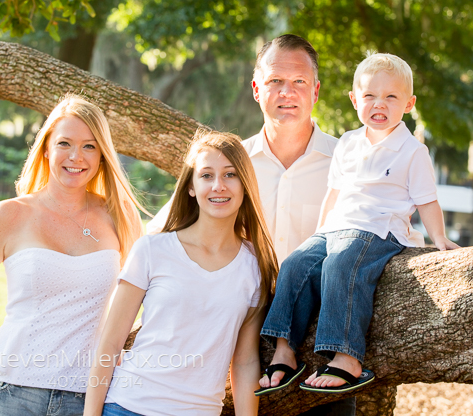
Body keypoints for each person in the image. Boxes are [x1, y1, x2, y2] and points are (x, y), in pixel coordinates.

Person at [148, 34, 355, 414]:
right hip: (230, 340)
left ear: (316, 91)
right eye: (275, 81)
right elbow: (163, 236)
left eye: (299, 83)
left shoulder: (349, 163)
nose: (286, 92)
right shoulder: (229, 167)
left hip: (319, 342)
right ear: (257, 88)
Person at [257, 52, 459, 396]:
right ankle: (284, 350)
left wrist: (439, 238)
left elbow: (427, 200)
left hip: (378, 229)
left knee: (341, 264)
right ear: (354, 100)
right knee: (295, 264)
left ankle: (346, 357)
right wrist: (316, 235)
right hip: (335, 228)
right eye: (369, 96)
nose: (379, 104)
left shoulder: (412, 151)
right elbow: (333, 195)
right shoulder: (348, 143)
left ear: (408, 104)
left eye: (391, 97)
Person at [0, 94, 144, 416]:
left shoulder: (120, 217)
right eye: (65, 143)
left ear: (103, 155)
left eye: (90, 146)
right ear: (47, 147)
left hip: (88, 395)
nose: (76, 156)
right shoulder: (9, 215)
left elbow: (138, 298)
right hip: (10, 392)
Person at [83, 130, 278, 416]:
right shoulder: (152, 249)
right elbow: (110, 342)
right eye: (207, 175)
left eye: (230, 175)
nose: (218, 186)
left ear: (246, 184)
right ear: (190, 187)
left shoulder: (254, 266)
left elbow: (245, 360)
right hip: (129, 406)